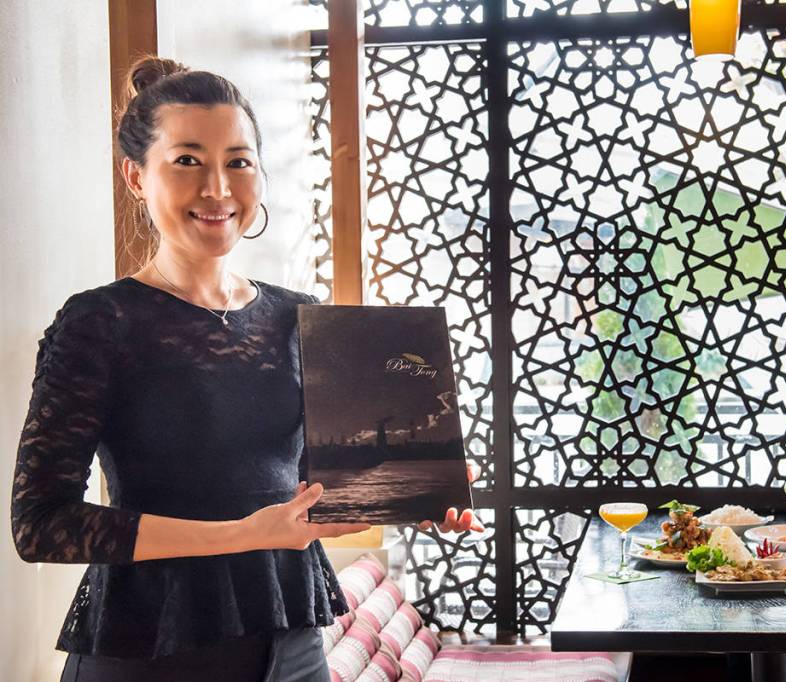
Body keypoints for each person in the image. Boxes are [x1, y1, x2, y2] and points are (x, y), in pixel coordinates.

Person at [10, 56, 482, 682]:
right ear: (135, 176)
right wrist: (243, 534)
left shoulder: (300, 316)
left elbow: (304, 495)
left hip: (293, 641)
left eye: (237, 162)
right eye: (187, 161)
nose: (217, 189)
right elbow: (41, 525)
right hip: (150, 647)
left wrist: (412, 491)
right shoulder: (99, 321)